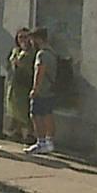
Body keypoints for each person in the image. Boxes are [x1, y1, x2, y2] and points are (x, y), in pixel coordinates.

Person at [26, 27, 59, 155]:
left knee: (35, 115)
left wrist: (35, 89)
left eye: (32, 39)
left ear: (38, 39)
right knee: (48, 114)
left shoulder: (42, 54)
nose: (31, 42)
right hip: (50, 89)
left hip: (42, 90)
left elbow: (40, 71)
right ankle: (49, 142)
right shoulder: (52, 53)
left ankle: (41, 142)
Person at [5, 28, 35, 143]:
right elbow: (9, 65)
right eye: (20, 37)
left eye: (25, 37)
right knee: (14, 108)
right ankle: (17, 132)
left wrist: (21, 65)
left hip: (25, 84)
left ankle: (30, 134)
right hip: (14, 83)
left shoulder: (32, 53)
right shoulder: (15, 51)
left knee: (24, 110)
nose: (23, 40)